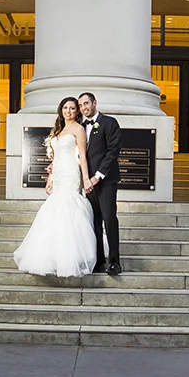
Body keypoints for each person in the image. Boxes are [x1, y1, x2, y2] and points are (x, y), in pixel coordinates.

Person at [13, 98, 98, 277]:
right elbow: (55, 158)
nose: (68, 111)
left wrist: (86, 179)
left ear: (77, 112)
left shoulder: (78, 129)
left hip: (71, 174)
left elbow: (82, 156)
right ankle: (54, 256)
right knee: (54, 209)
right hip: (58, 174)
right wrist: (49, 178)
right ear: (61, 110)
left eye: (73, 108)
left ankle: (73, 257)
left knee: (69, 208)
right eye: (65, 108)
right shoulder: (59, 130)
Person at [79, 91, 123, 276]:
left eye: (86, 103)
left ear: (95, 103)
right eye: (81, 105)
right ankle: (98, 261)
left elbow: (113, 152)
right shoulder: (79, 126)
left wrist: (97, 176)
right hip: (88, 183)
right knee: (94, 221)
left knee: (109, 218)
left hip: (105, 181)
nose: (83, 108)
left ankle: (114, 262)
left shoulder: (109, 123)